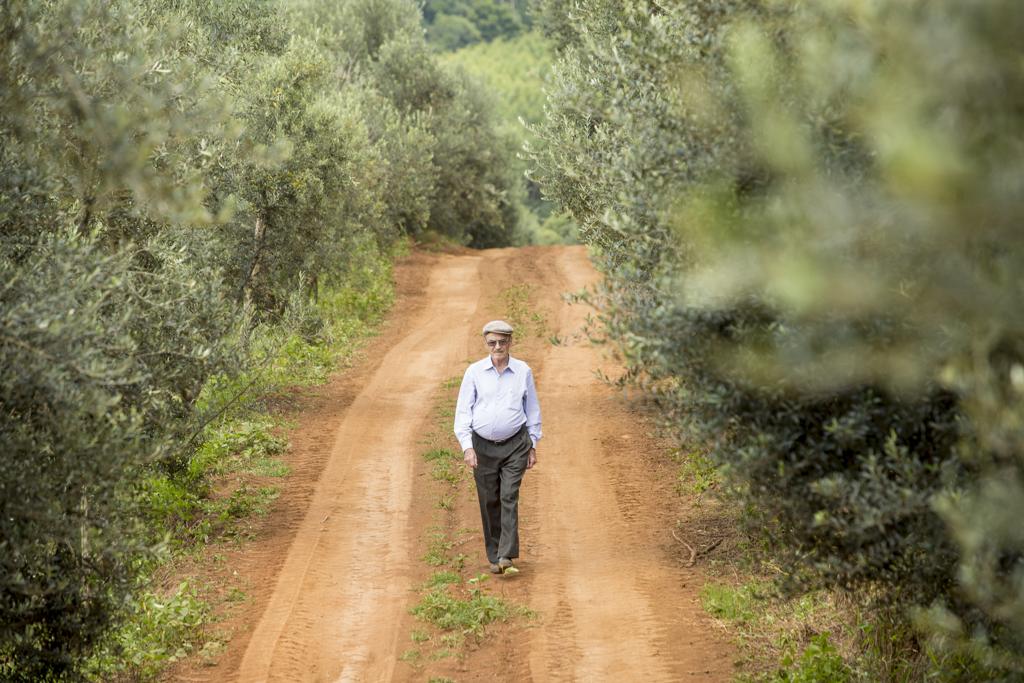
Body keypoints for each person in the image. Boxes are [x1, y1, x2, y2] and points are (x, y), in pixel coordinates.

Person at [454, 320, 542, 574]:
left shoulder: (523, 371)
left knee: (508, 495)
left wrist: (532, 444)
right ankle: (494, 555)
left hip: (516, 444)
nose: (498, 346)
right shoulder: (474, 372)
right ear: (486, 344)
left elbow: (532, 409)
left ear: (510, 342)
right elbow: (463, 412)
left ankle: (506, 555)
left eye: (503, 341)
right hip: (482, 446)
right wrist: (467, 447)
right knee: (489, 499)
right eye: (492, 342)